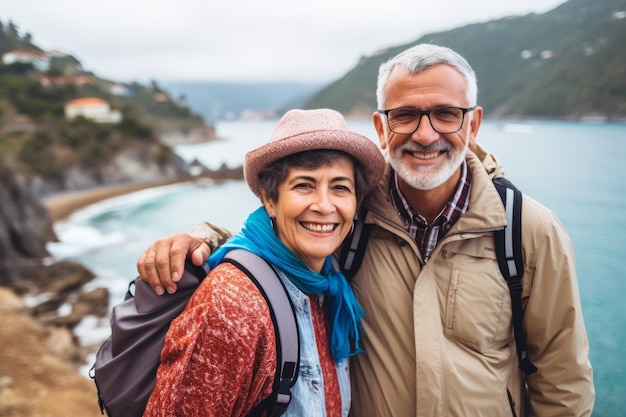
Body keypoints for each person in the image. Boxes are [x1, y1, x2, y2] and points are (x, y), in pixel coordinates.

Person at [138, 44, 595, 416]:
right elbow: (280, 233)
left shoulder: (525, 230)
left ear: (472, 124)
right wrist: (202, 241)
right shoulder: (351, 214)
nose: (424, 133)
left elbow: (563, 382)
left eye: (446, 114)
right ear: (381, 126)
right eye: (405, 115)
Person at [142, 108, 386, 417]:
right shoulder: (234, 305)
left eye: (340, 188)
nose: (325, 206)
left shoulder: (328, 277)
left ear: (356, 202)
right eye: (304, 185)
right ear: (270, 200)